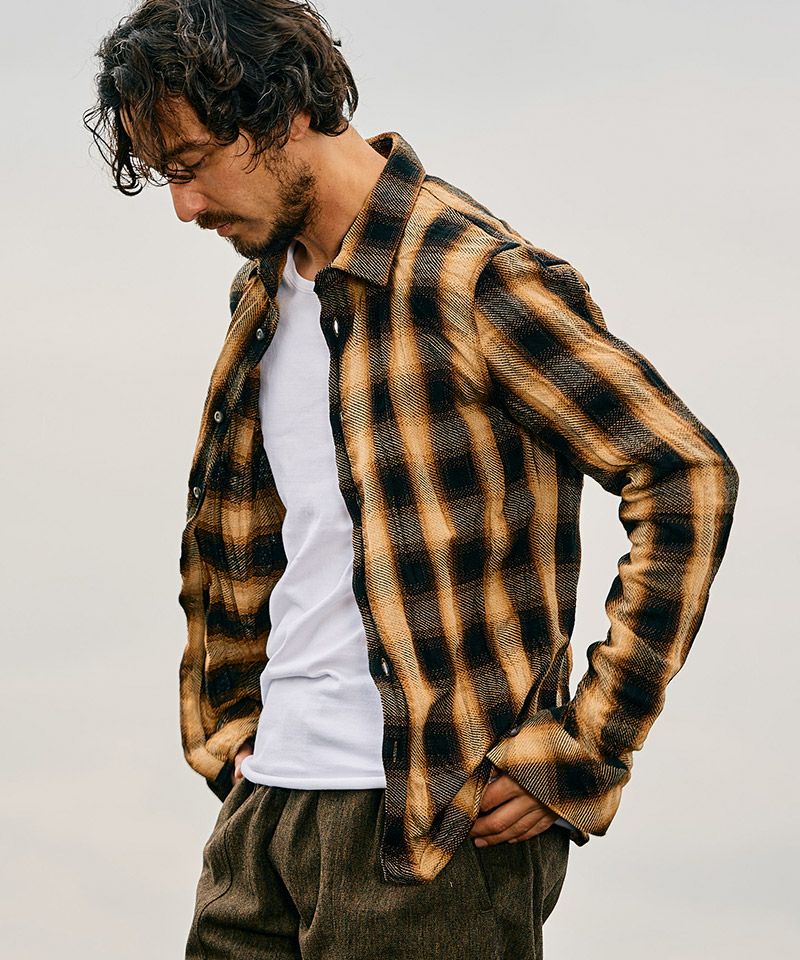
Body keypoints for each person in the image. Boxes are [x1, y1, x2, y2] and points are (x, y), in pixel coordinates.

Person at [84, 2, 739, 958]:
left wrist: (587, 747)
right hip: (265, 816)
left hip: (432, 834)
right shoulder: (263, 295)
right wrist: (235, 742)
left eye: (190, 165)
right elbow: (265, 547)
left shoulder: (471, 277)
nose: (184, 207)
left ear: (282, 114)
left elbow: (685, 475)